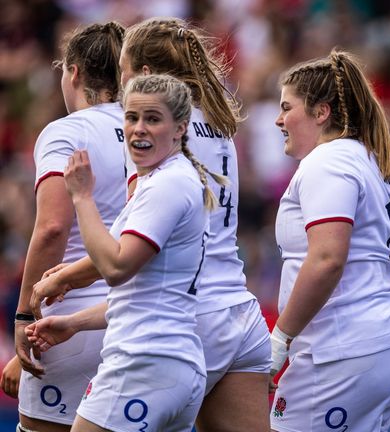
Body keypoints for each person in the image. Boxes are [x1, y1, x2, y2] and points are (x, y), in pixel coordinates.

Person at [27, 74, 219, 431]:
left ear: (180, 128)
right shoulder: (164, 179)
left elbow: (115, 268)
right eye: (132, 118)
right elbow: (144, 294)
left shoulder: (168, 184)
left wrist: (82, 197)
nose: (139, 129)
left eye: (153, 119)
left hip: (143, 363)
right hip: (170, 365)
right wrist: (74, 322)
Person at [118, 18, 271, 432]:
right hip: (238, 311)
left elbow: (131, 250)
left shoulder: (150, 130)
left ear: (146, 76)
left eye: (124, 72)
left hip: (185, 316)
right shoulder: (217, 121)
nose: (121, 86)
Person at [271, 48, 390, 432]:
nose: (278, 119)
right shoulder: (372, 161)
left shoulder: (329, 161)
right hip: (382, 340)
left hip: (343, 351)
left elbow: (327, 259)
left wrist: (281, 338)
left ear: (321, 113)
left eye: (288, 107)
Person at [12, 22, 127, 432]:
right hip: (136, 316)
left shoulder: (67, 131)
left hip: (66, 321)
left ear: (74, 72)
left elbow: (52, 228)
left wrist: (25, 316)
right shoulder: (149, 130)